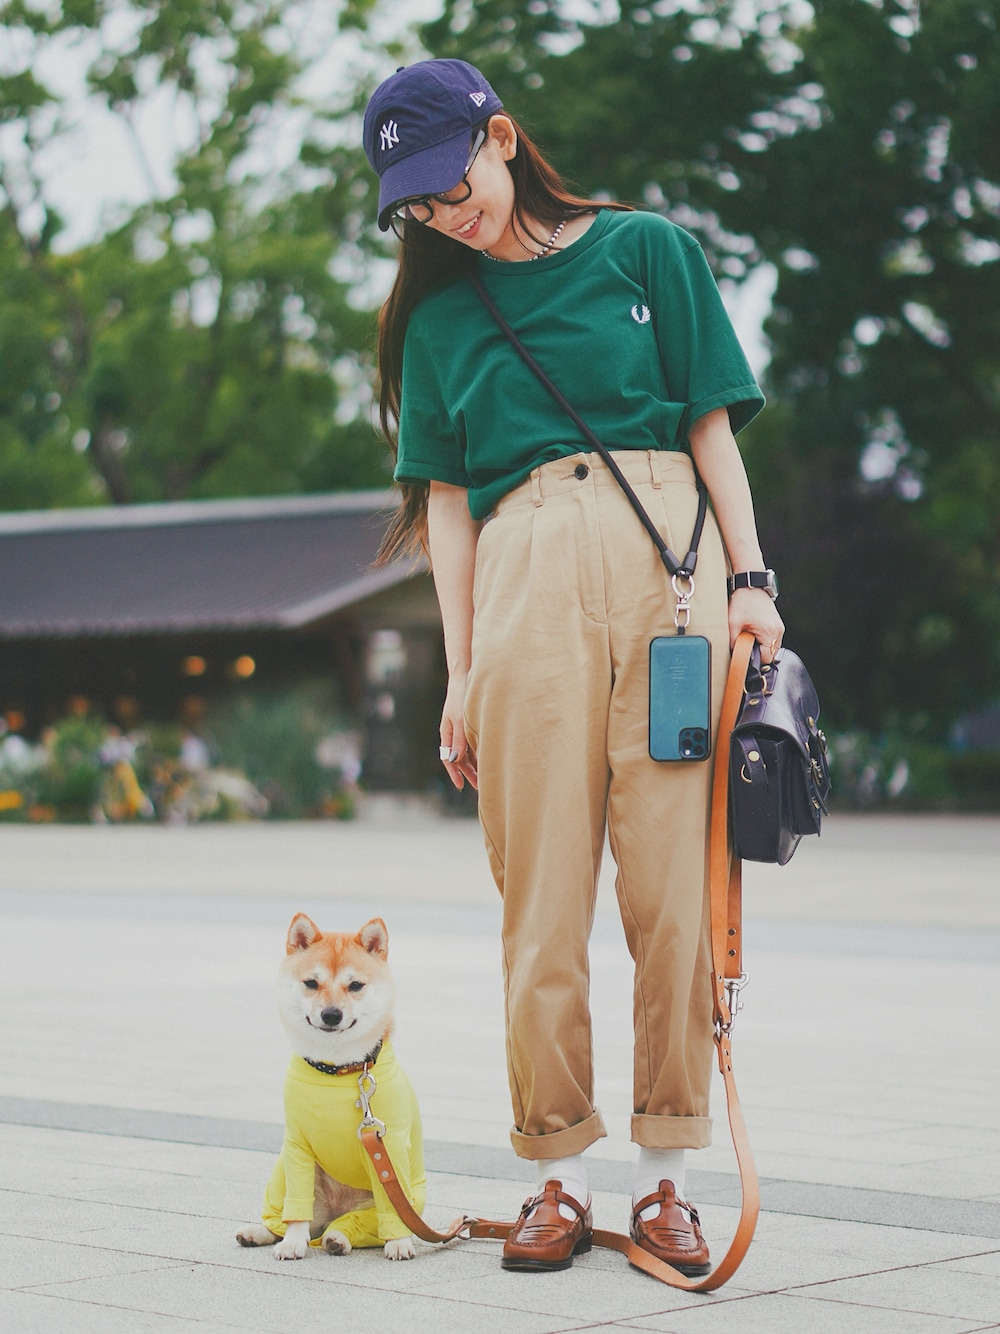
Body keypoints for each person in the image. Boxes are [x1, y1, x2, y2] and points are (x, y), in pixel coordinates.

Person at [363, 58, 784, 1276]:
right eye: (418, 206)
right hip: (523, 583)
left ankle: (664, 1182)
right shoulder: (443, 319)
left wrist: (752, 587)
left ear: (500, 137)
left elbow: (709, 425)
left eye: (454, 182)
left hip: (672, 586)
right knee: (539, 902)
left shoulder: (647, 251)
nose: (448, 213)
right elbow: (447, 505)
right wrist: (461, 668)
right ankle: (554, 1171)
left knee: (673, 900)